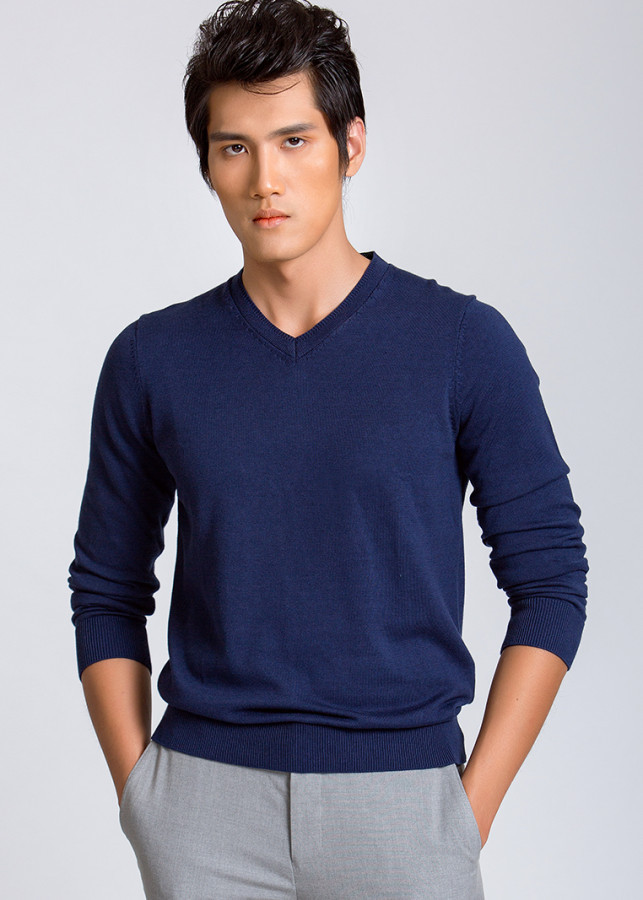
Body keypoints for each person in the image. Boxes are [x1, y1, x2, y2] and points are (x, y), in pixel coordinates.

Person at [68, 1, 589, 897]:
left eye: (293, 140)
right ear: (207, 166)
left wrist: (466, 814)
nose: (265, 179)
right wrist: (141, 797)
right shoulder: (153, 359)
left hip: (404, 806)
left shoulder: (461, 344)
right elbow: (106, 589)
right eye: (234, 147)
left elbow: (550, 583)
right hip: (202, 808)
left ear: (351, 145)